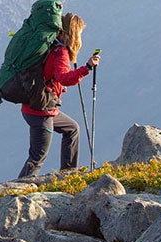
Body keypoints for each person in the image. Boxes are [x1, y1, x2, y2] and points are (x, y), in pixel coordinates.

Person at [17, 12, 100, 178]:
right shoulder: (61, 52)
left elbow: (49, 75)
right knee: (38, 156)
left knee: (72, 129)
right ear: (74, 33)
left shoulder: (50, 46)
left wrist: (58, 87)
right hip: (41, 111)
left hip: (37, 107)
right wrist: (87, 68)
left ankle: (68, 175)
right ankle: (15, 192)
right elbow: (65, 77)